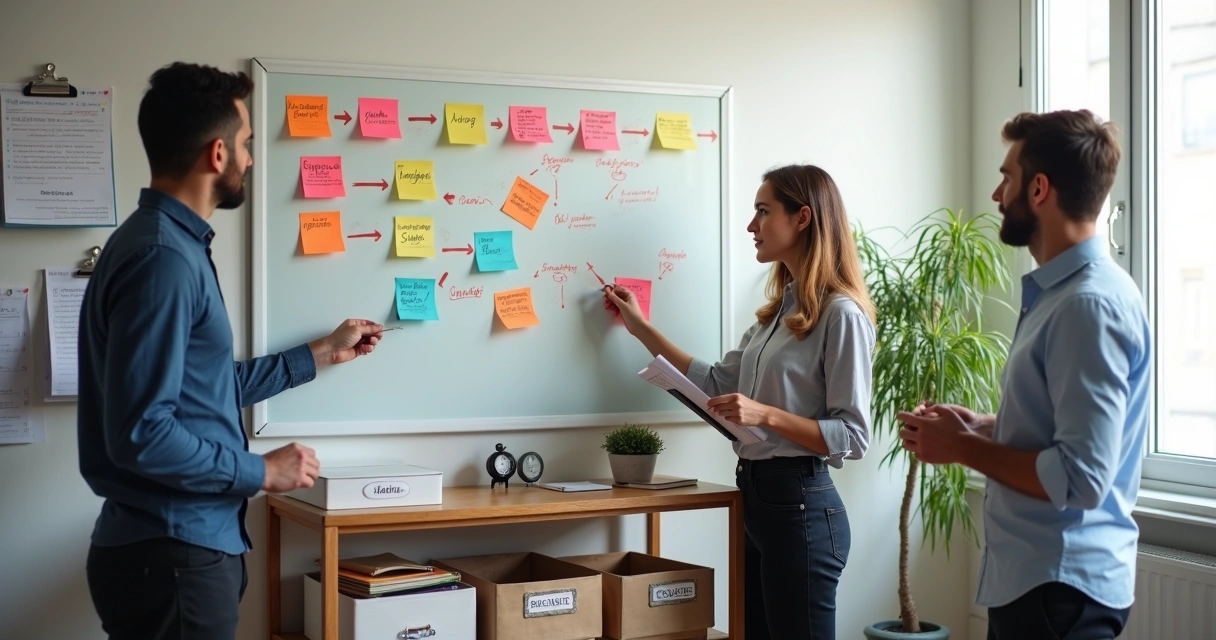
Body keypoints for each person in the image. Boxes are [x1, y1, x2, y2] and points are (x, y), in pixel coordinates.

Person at [77, 62, 385, 640]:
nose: (250, 159)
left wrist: (321, 352)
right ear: (216, 155)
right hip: (174, 555)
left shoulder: (166, 247)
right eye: (245, 145)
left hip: (180, 549)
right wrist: (260, 470)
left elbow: (201, 389)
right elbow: (142, 431)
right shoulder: (163, 260)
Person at [897, 109, 1150, 640]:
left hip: (1059, 592)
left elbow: (1080, 477)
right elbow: (1066, 431)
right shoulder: (1063, 297)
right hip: (1043, 587)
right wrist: (984, 426)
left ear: (1038, 189)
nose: (995, 195)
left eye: (1005, 178)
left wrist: (962, 449)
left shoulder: (1087, 306)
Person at [603, 164, 876, 638]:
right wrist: (640, 326)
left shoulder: (841, 315)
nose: (751, 226)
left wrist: (765, 414)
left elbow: (853, 436)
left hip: (803, 507)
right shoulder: (776, 317)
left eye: (762, 211)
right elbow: (711, 380)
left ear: (803, 218)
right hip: (755, 499)